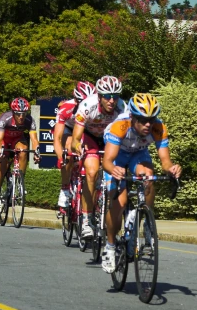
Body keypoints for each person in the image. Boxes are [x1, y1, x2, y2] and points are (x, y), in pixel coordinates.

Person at [100, 93, 181, 273]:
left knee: (148, 176)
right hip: (118, 155)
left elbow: (165, 161)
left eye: (151, 120)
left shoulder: (158, 127)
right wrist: (114, 170)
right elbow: (107, 161)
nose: (148, 124)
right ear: (132, 117)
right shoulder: (120, 126)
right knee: (118, 203)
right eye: (143, 120)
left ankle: (147, 221)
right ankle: (110, 246)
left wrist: (172, 169)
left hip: (138, 153)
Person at [70, 75, 126, 239]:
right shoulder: (87, 105)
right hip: (90, 137)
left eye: (115, 96)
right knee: (92, 172)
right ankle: (87, 219)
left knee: (118, 173)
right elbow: (75, 138)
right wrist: (77, 146)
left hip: (110, 139)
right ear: (100, 96)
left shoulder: (122, 107)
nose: (112, 100)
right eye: (108, 96)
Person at [0, 98, 41, 213]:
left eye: (24, 114)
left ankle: (19, 181)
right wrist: (0, 153)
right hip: (3, 140)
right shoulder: (5, 118)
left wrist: (37, 151)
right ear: (13, 113)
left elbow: (34, 139)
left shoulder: (29, 120)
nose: (21, 117)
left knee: (23, 150)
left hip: (17, 140)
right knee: (2, 168)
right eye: (18, 114)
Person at [53, 81, 96, 209]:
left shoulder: (95, 108)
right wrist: (62, 158)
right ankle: (65, 189)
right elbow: (57, 138)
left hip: (85, 130)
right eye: (83, 102)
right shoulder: (66, 108)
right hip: (68, 129)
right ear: (77, 101)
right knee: (68, 148)